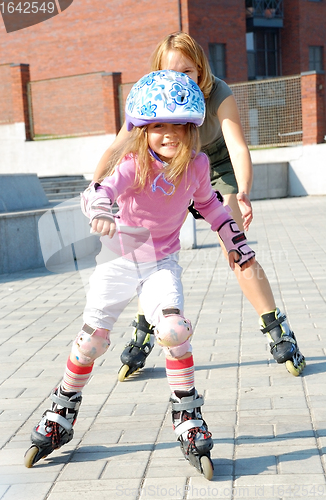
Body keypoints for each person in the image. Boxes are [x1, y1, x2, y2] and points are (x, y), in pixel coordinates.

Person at [24, 70, 256, 478]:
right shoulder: (134, 165)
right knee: (92, 343)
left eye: (177, 126)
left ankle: (186, 414)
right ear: (143, 130)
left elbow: (213, 208)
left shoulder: (197, 166)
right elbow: (100, 190)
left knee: (173, 330)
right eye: (157, 126)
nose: (168, 135)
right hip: (118, 259)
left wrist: (234, 241)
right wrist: (100, 213)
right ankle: (63, 408)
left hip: (160, 263)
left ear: (192, 129)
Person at [93, 32, 305, 379]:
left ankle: (275, 326)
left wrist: (244, 191)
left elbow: (236, 145)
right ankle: (146, 329)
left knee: (235, 246)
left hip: (214, 165)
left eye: (187, 72)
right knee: (149, 249)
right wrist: (95, 188)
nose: (179, 80)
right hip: (164, 165)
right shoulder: (150, 96)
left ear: (201, 70)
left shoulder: (218, 91)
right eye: (170, 72)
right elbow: (121, 144)